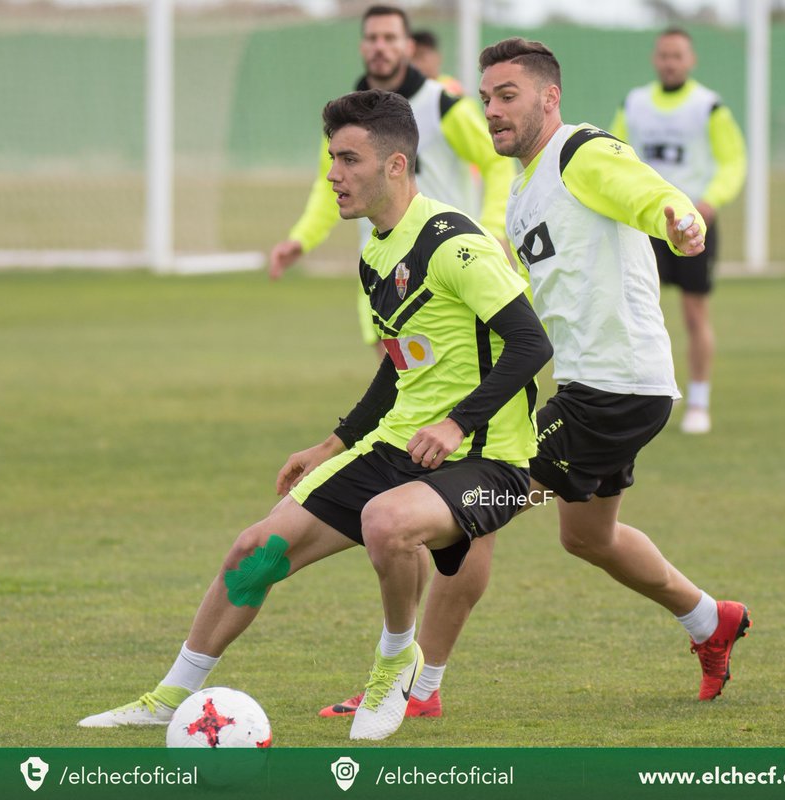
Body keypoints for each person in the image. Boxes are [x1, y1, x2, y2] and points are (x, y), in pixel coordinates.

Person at [79, 89, 552, 742]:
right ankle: (169, 696)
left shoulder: (455, 242)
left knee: (386, 523)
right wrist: (332, 444)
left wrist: (456, 424)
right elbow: (398, 365)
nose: (332, 174)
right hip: (398, 446)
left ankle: (395, 663)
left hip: (487, 459)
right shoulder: (376, 254)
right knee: (256, 549)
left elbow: (531, 343)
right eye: (331, 157)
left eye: (348, 159)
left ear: (395, 166)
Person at [318, 37, 751, 719]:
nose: (492, 109)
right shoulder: (523, 190)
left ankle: (415, 689)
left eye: (508, 95)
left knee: (475, 503)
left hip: (614, 387)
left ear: (549, 98)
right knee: (587, 536)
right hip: (596, 390)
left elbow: (645, 191)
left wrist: (679, 216)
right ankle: (710, 621)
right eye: (487, 97)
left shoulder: (582, 152)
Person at [268, 5, 514, 357]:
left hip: (447, 270)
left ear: (408, 47)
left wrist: (493, 230)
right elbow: (328, 188)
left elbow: (496, 162)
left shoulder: (442, 105)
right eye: (372, 38)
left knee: (455, 386)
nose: (380, 46)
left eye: (389, 38)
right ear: (361, 47)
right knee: (402, 388)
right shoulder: (344, 118)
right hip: (381, 270)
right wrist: (301, 240)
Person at [610, 28, 747, 435]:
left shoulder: (709, 107)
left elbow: (733, 160)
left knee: (693, 314)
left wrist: (711, 201)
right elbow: (614, 155)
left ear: (691, 60)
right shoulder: (633, 103)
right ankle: (627, 399)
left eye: (678, 55)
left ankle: (699, 403)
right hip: (643, 225)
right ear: (656, 59)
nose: (670, 62)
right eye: (664, 55)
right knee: (630, 312)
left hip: (691, 223)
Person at [411, 29, 462, 94]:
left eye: (421, 56)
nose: (416, 63)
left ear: (438, 57)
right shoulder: (405, 89)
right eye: (412, 57)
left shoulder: (451, 90)